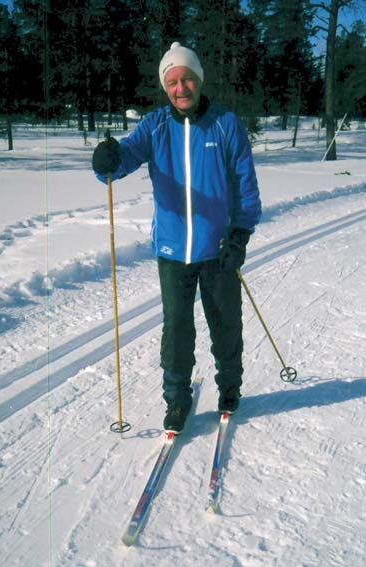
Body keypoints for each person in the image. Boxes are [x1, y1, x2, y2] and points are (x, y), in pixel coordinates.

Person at [92, 42, 261, 434]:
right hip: (172, 250)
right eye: (172, 81)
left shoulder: (224, 124)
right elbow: (123, 160)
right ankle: (176, 401)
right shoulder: (155, 126)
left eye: (186, 78)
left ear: (198, 80)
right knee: (177, 329)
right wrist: (108, 161)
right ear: (165, 87)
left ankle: (230, 387)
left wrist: (240, 233)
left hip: (219, 248)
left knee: (226, 324)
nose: (180, 87)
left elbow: (245, 186)